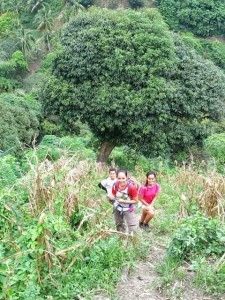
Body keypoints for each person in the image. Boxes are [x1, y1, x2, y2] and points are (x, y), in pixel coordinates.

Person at [108, 169, 138, 233]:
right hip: (117, 207)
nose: (121, 180)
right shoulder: (115, 185)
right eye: (119, 178)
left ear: (126, 177)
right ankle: (121, 238)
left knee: (132, 228)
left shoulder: (131, 187)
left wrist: (124, 201)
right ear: (116, 177)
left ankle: (132, 240)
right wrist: (111, 197)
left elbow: (136, 201)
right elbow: (113, 194)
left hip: (128, 208)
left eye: (123, 178)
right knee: (119, 224)